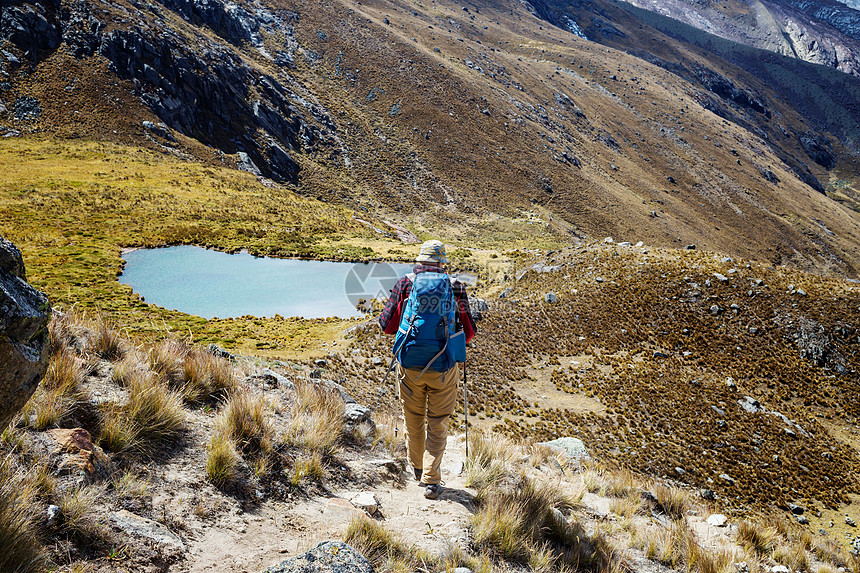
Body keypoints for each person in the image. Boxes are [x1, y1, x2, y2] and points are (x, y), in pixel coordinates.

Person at [378, 240, 476, 499]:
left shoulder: (405, 283)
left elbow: (386, 326)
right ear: (442, 262)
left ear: (419, 260)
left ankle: (417, 469)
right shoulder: (455, 286)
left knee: (413, 418)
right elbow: (469, 333)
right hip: (444, 365)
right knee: (438, 421)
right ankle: (433, 481)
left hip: (409, 364)